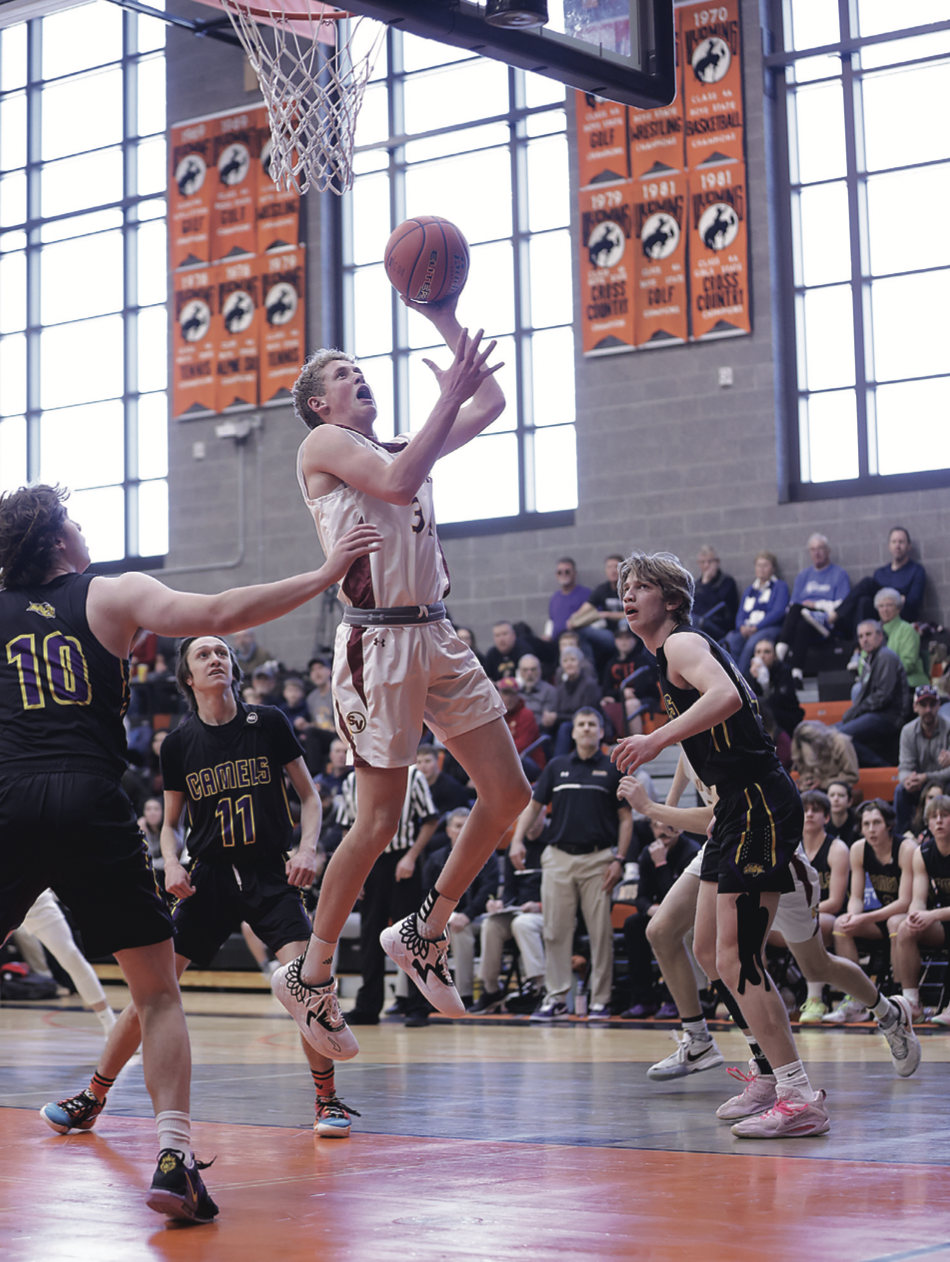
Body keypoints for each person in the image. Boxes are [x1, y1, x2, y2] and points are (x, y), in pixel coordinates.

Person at [0, 482, 379, 1223]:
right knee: (157, 994)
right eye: (73, 521)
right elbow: (222, 611)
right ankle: (173, 1160)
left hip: (11, 797)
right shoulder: (109, 594)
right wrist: (327, 571)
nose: (82, 531)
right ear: (57, 539)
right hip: (91, 800)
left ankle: (123, 1103)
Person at [276, 299, 532, 1060]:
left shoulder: (398, 447)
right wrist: (446, 395)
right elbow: (393, 483)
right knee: (379, 820)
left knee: (509, 794)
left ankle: (424, 930)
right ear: (319, 403)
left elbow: (492, 403)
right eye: (342, 374)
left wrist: (447, 320)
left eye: (361, 370)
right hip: (378, 641)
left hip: (438, 632)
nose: (359, 377)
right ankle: (312, 975)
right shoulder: (324, 444)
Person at [42, 635, 360, 1144]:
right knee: (152, 992)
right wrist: (170, 862)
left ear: (233, 667)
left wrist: (307, 849)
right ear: (187, 678)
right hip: (208, 878)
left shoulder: (268, 721)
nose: (216, 658)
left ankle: (327, 1098)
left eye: (221, 652)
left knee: (307, 985)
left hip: (269, 873)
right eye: (203, 654)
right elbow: (169, 824)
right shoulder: (179, 744)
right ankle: (92, 1097)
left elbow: (310, 797)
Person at [612, 550, 830, 1137]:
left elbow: (727, 697)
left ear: (671, 600)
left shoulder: (682, 643)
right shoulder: (670, 656)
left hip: (758, 801)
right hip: (736, 806)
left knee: (738, 958)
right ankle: (768, 1072)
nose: (628, 594)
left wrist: (655, 740)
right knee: (709, 950)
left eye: (641, 586)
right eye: (624, 586)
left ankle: (798, 1096)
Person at [510, 707, 632, 1022]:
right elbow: (533, 806)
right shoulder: (556, 766)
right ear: (573, 731)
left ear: (601, 732)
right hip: (558, 858)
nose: (586, 728)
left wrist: (619, 859)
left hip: (598, 859)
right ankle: (557, 998)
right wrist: (517, 840)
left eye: (592, 724)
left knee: (600, 932)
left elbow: (626, 818)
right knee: (554, 931)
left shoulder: (612, 768)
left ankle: (600, 1000)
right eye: (581, 724)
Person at [336, 762, 439, 1028]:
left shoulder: (413, 775)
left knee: (410, 937)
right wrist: (354, 870)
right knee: (370, 937)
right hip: (368, 862)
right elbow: (347, 829)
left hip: (403, 861)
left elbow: (431, 820)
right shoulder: (351, 781)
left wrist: (411, 857)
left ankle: (418, 1006)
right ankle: (368, 1007)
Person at [826, 799, 916, 1023]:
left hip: (908, 916)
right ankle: (855, 999)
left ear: (889, 824)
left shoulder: (906, 848)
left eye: (877, 823)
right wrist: (853, 915)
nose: (871, 829)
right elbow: (856, 897)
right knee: (841, 925)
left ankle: (898, 998)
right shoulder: (858, 849)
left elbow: (905, 902)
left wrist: (864, 917)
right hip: (881, 917)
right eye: (866, 824)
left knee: (895, 922)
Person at [619, 818, 701, 1019]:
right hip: (665, 912)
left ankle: (673, 1000)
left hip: (692, 914)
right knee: (633, 924)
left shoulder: (692, 852)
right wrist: (650, 909)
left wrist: (661, 864)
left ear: (679, 829)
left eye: (669, 826)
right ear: (652, 829)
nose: (663, 831)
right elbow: (641, 898)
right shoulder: (648, 853)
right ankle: (644, 1000)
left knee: (672, 930)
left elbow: (681, 899)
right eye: (658, 826)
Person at [421, 807, 499, 1009]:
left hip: (475, 918)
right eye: (458, 826)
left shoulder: (487, 855)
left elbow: (487, 892)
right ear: (448, 831)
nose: (463, 831)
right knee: (411, 931)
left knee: (459, 931)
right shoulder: (435, 858)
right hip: (441, 917)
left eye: (467, 826)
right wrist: (440, 916)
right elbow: (426, 893)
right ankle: (408, 998)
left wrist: (466, 915)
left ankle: (464, 995)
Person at [791, 791, 850, 1022]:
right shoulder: (791, 846)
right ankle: (768, 994)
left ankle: (815, 998)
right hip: (796, 914)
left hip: (827, 915)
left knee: (811, 923)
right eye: (805, 810)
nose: (809, 814)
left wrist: (803, 912)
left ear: (826, 817)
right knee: (756, 928)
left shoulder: (837, 849)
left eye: (815, 810)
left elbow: (835, 902)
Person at [891, 794, 950, 1022]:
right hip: (942, 920)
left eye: (945, 815)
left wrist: (932, 915)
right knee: (906, 928)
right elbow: (918, 899)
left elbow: (931, 912)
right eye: (934, 816)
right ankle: (912, 1003)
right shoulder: (923, 853)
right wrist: (915, 916)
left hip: (940, 915)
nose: (939, 821)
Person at [775, 535, 850, 681]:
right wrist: (806, 609)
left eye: (820, 548)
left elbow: (842, 605)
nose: (817, 553)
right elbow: (792, 606)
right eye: (813, 549)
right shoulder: (803, 576)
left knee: (800, 611)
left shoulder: (839, 574)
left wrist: (816, 605)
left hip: (827, 619)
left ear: (828, 551)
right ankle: (797, 673)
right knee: (801, 621)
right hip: (805, 619)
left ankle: (781, 647)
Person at [828, 526, 927, 635]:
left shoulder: (916, 570)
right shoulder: (881, 573)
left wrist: (894, 599)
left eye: (901, 542)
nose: (897, 546)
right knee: (864, 601)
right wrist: (900, 596)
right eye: (894, 542)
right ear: (889, 546)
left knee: (867, 583)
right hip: (880, 614)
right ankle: (859, 642)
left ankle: (833, 617)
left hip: (902, 614)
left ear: (909, 546)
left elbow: (913, 601)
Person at [835, 620, 908, 766]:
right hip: (873, 713)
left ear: (880, 636)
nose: (864, 639)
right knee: (827, 733)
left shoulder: (885, 656)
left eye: (868, 634)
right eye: (860, 636)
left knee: (839, 736)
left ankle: (882, 767)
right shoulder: (868, 659)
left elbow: (883, 696)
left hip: (888, 716)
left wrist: (856, 711)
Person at [720, 551, 789, 675]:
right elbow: (741, 613)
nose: (761, 569)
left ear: (773, 569)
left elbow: (778, 612)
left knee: (752, 644)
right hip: (748, 628)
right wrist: (741, 627)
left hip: (769, 628)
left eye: (765, 565)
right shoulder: (750, 590)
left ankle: (741, 679)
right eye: (759, 565)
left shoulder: (780, 586)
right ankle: (729, 676)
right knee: (731, 641)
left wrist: (757, 627)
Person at [895, 684, 950, 835]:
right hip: (919, 786)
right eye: (923, 705)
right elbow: (904, 766)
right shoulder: (907, 731)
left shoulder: (949, 728)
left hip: (945, 783)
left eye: (932, 704)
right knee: (901, 790)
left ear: (939, 705)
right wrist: (907, 779)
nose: (928, 710)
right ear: (915, 707)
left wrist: (926, 777)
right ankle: (904, 836)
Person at [744, 639, 804, 738]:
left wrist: (765, 682)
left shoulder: (784, 671)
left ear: (775, 656)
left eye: (767, 652)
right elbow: (752, 703)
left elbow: (778, 701)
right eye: (758, 652)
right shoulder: (749, 675)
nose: (762, 656)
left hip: (785, 717)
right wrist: (755, 680)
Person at [874, 588, 928, 689]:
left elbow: (909, 663)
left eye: (889, 605)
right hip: (879, 680)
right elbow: (864, 661)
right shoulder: (872, 631)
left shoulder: (907, 630)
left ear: (898, 609)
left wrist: (884, 674)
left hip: (907, 679)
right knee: (858, 689)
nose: (885, 610)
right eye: (881, 606)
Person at [790, 722, 859, 791]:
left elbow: (852, 776)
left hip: (837, 791)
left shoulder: (841, 743)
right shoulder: (799, 747)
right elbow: (805, 773)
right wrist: (806, 782)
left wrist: (823, 784)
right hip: (814, 790)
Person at [691, 545, 739, 642]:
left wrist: (706, 584)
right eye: (702, 562)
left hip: (720, 626)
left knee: (694, 621)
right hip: (699, 624)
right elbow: (695, 608)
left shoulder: (727, 582)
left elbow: (718, 605)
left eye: (709, 562)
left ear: (717, 562)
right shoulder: (697, 585)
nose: (706, 566)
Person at [516, 653, 558, 728]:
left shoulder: (549, 691)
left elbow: (546, 720)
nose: (529, 673)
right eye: (525, 670)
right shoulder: (515, 691)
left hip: (539, 730)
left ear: (539, 670)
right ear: (519, 672)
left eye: (533, 669)